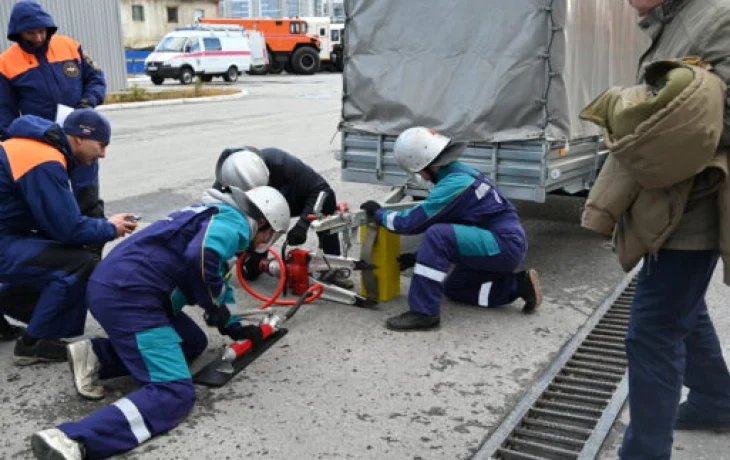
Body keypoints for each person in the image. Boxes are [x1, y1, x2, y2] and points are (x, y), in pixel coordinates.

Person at [30, 185, 291, 460]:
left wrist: (233, 324)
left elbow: (212, 274)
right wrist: (215, 307)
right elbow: (202, 256)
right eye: (270, 234)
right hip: (130, 298)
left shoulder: (214, 213)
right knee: (174, 393)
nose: (266, 241)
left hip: (121, 287)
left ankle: (96, 355)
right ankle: (72, 439)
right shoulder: (235, 224)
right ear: (262, 222)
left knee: (192, 342)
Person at [614, 1, 730, 458]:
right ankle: (716, 400)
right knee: (682, 308)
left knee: (653, 331)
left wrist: (652, 125)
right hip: (670, 204)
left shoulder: (718, 17)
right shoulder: (676, 20)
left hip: (695, 207)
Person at [359, 127, 542, 331]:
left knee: (437, 235)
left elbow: (410, 223)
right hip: (496, 243)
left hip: (502, 244)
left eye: (418, 170)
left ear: (425, 164)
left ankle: (424, 312)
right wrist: (419, 256)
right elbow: (460, 229)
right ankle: (518, 286)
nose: (422, 176)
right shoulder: (458, 173)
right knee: (455, 288)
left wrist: (379, 213)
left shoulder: (454, 184)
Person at [0, 110, 137, 365]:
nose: (103, 154)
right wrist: (110, 228)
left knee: (51, 252)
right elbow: (68, 228)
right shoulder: (43, 160)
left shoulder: (32, 148)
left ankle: (9, 302)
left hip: (7, 234)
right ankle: (33, 343)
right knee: (80, 262)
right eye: (101, 145)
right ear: (77, 139)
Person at [0, 0, 107, 233]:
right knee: (51, 207)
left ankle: (91, 255)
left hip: (80, 138)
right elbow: (5, 117)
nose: (38, 37)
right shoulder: (6, 64)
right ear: (18, 33)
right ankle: (61, 256)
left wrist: (87, 104)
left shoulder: (70, 47)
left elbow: (96, 79)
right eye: (31, 33)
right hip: (43, 144)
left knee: (87, 198)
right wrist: (30, 136)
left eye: (42, 31)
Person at [213, 146, 353, 288]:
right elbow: (216, 224)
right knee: (250, 272)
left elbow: (321, 189)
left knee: (327, 199)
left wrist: (303, 225)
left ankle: (331, 266)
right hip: (259, 212)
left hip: (293, 199)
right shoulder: (224, 183)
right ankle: (260, 259)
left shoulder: (280, 162)